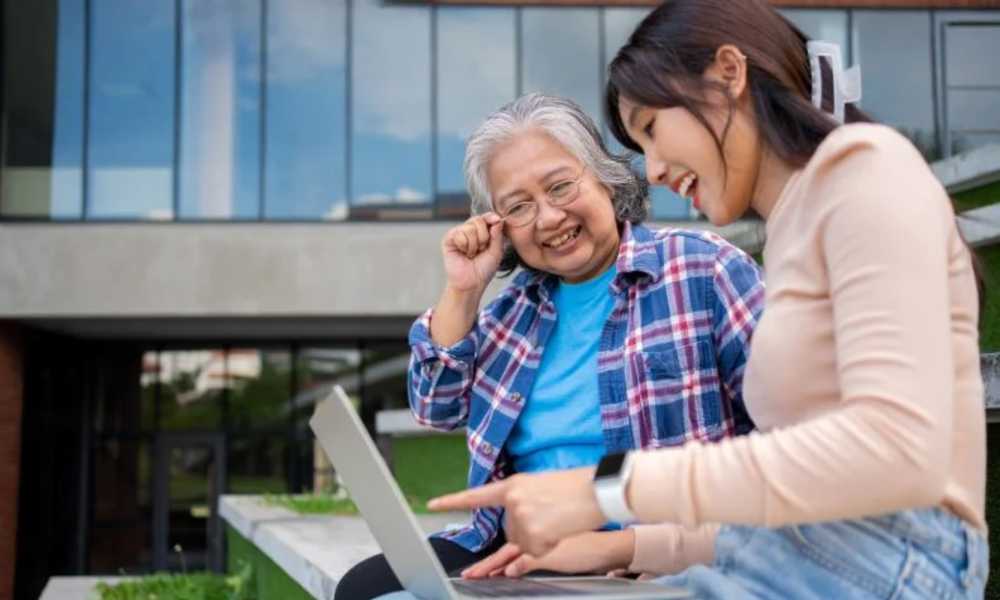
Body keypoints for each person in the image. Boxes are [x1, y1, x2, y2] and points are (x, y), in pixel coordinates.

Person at [428, 1, 990, 599]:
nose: (655, 168)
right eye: (517, 205)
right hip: (779, 556)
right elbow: (785, 498)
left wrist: (604, 490)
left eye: (650, 128)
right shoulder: (795, 226)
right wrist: (630, 545)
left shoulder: (867, 171)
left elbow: (893, 452)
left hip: (889, 564)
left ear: (729, 75)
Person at [333, 92, 765, 600]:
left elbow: (787, 442)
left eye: (560, 186)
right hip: (521, 552)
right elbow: (435, 407)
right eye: (518, 207)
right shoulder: (513, 312)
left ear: (604, 176)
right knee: (361, 589)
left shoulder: (704, 269)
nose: (548, 218)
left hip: (647, 554)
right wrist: (464, 290)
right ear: (499, 226)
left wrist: (639, 547)